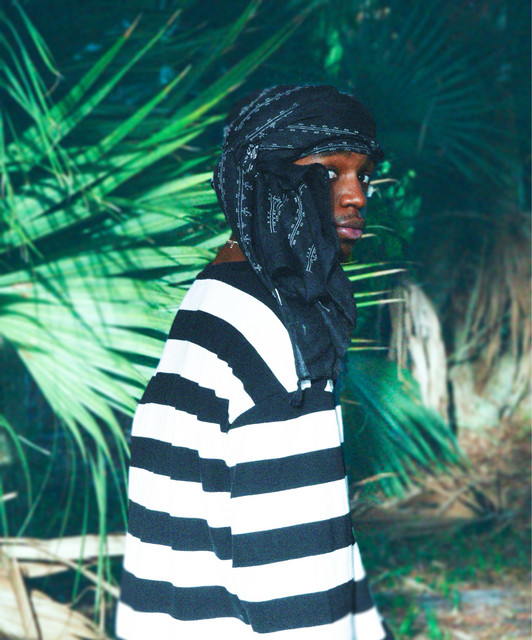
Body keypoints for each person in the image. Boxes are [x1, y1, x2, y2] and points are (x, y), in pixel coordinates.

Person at [116, 85, 394, 639]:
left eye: (363, 175)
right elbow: (299, 581)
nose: (355, 196)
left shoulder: (211, 299)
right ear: (266, 180)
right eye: (328, 172)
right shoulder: (284, 335)